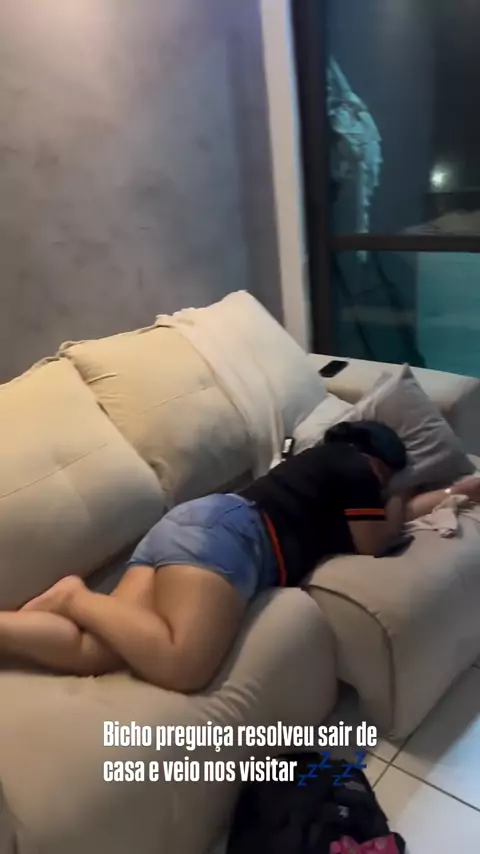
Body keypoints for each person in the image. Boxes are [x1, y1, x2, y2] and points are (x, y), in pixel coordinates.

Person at [0, 421, 479, 692]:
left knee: (99, 651)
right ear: (378, 463)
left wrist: (456, 491)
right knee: (184, 665)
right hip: (230, 537)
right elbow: (378, 540)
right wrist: (396, 494)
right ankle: (73, 596)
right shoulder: (353, 467)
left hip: (196, 526)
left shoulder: (326, 471)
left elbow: (392, 518)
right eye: (387, 479)